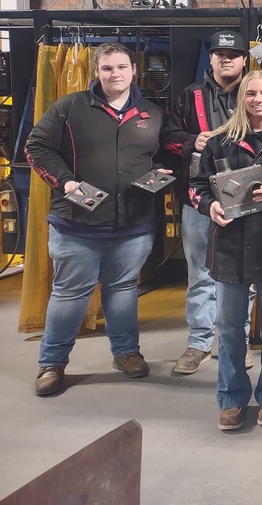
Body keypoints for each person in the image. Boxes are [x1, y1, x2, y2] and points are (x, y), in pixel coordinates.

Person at [28, 42, 171, 396]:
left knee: (123, 289)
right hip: (77, 223)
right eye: (107, 68)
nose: (115, 74)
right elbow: (36, 147)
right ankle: (52, 363)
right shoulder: (70, 107)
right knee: (70, 293)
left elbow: (166, 153)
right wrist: (66, 182)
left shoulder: (152, 113)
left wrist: (164, 172)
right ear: (96, 72)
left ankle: (125, 353)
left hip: (134, 224)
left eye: (122, 67)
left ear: (133, 70)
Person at [189, 70, 262, 431]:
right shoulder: (219, 141)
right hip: (229, 247)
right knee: (232, 328)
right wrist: (209, 207)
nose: (258, 100)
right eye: (251, 93)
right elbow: (195, 187)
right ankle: (232, 397)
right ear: (241, 98)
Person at [165, 30, 250, 376]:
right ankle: (199, 342)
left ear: (245, 58)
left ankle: (236, 343)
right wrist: (190, 141)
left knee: (244, 274)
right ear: (211, 58)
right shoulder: (191, 96)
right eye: (219, 53)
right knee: (200, 273)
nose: (225, 58)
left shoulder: (257, 91)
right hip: (199, 197)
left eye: (233, 53)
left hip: (246, 198)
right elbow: (167, 137)